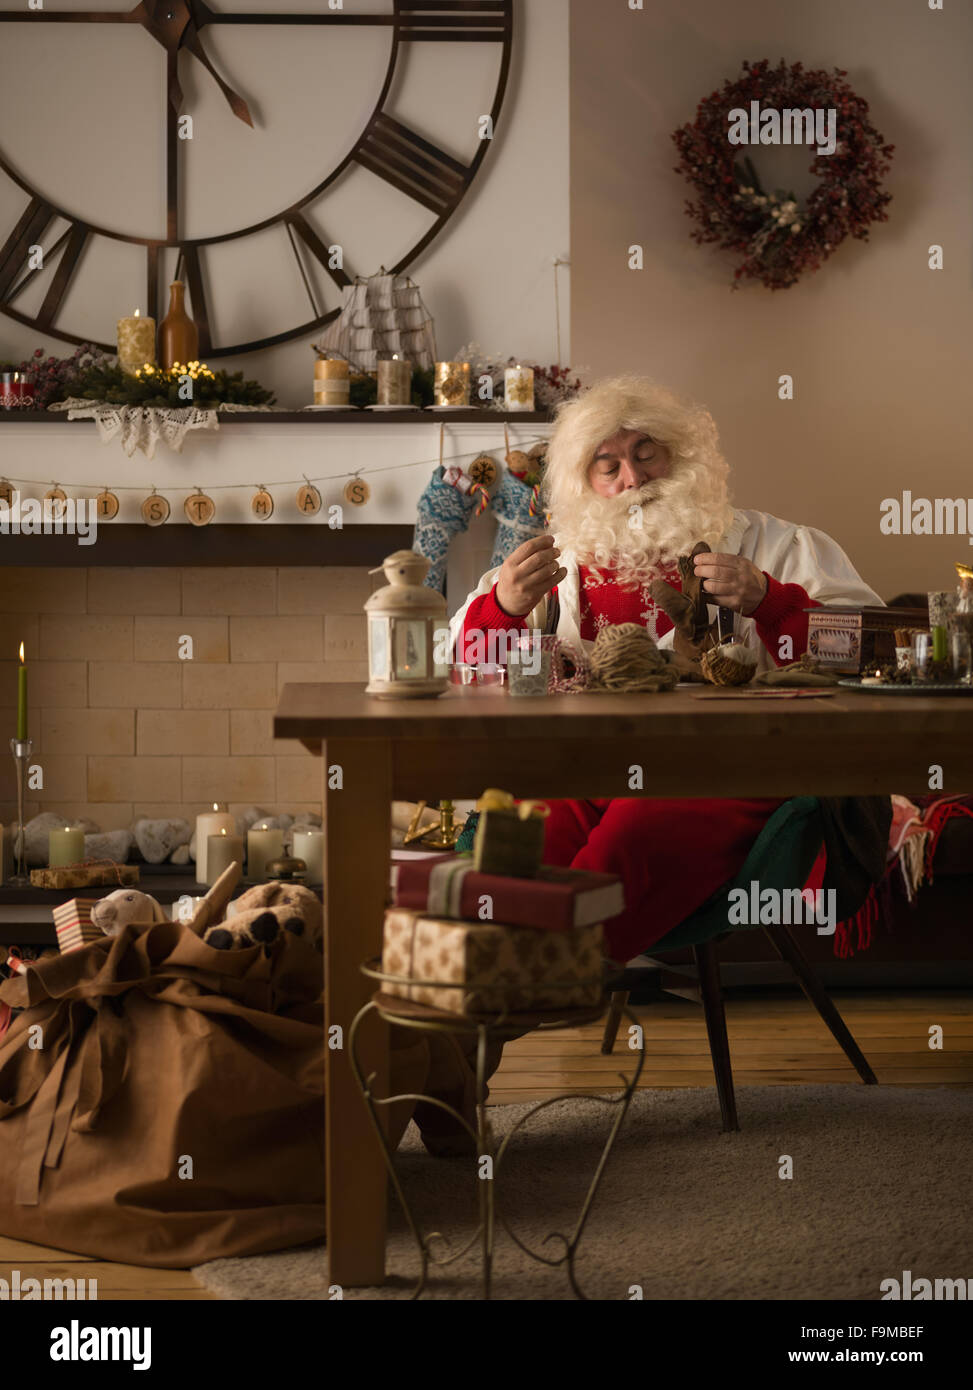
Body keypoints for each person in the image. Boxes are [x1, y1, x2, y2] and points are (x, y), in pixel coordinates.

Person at [448, 376, 883, 962]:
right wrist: (500, 609)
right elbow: (455, 670)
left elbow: (876, 653)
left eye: (646, 452)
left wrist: (770, 601)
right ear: (585, 485)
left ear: (683, 454)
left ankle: (532, 981)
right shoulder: (553, 565)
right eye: (607, 466)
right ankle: (493, 984)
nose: (632, 478)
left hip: (736, 766)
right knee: (532, 838)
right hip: (588, 767)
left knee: (636, 837)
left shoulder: (776, 546)